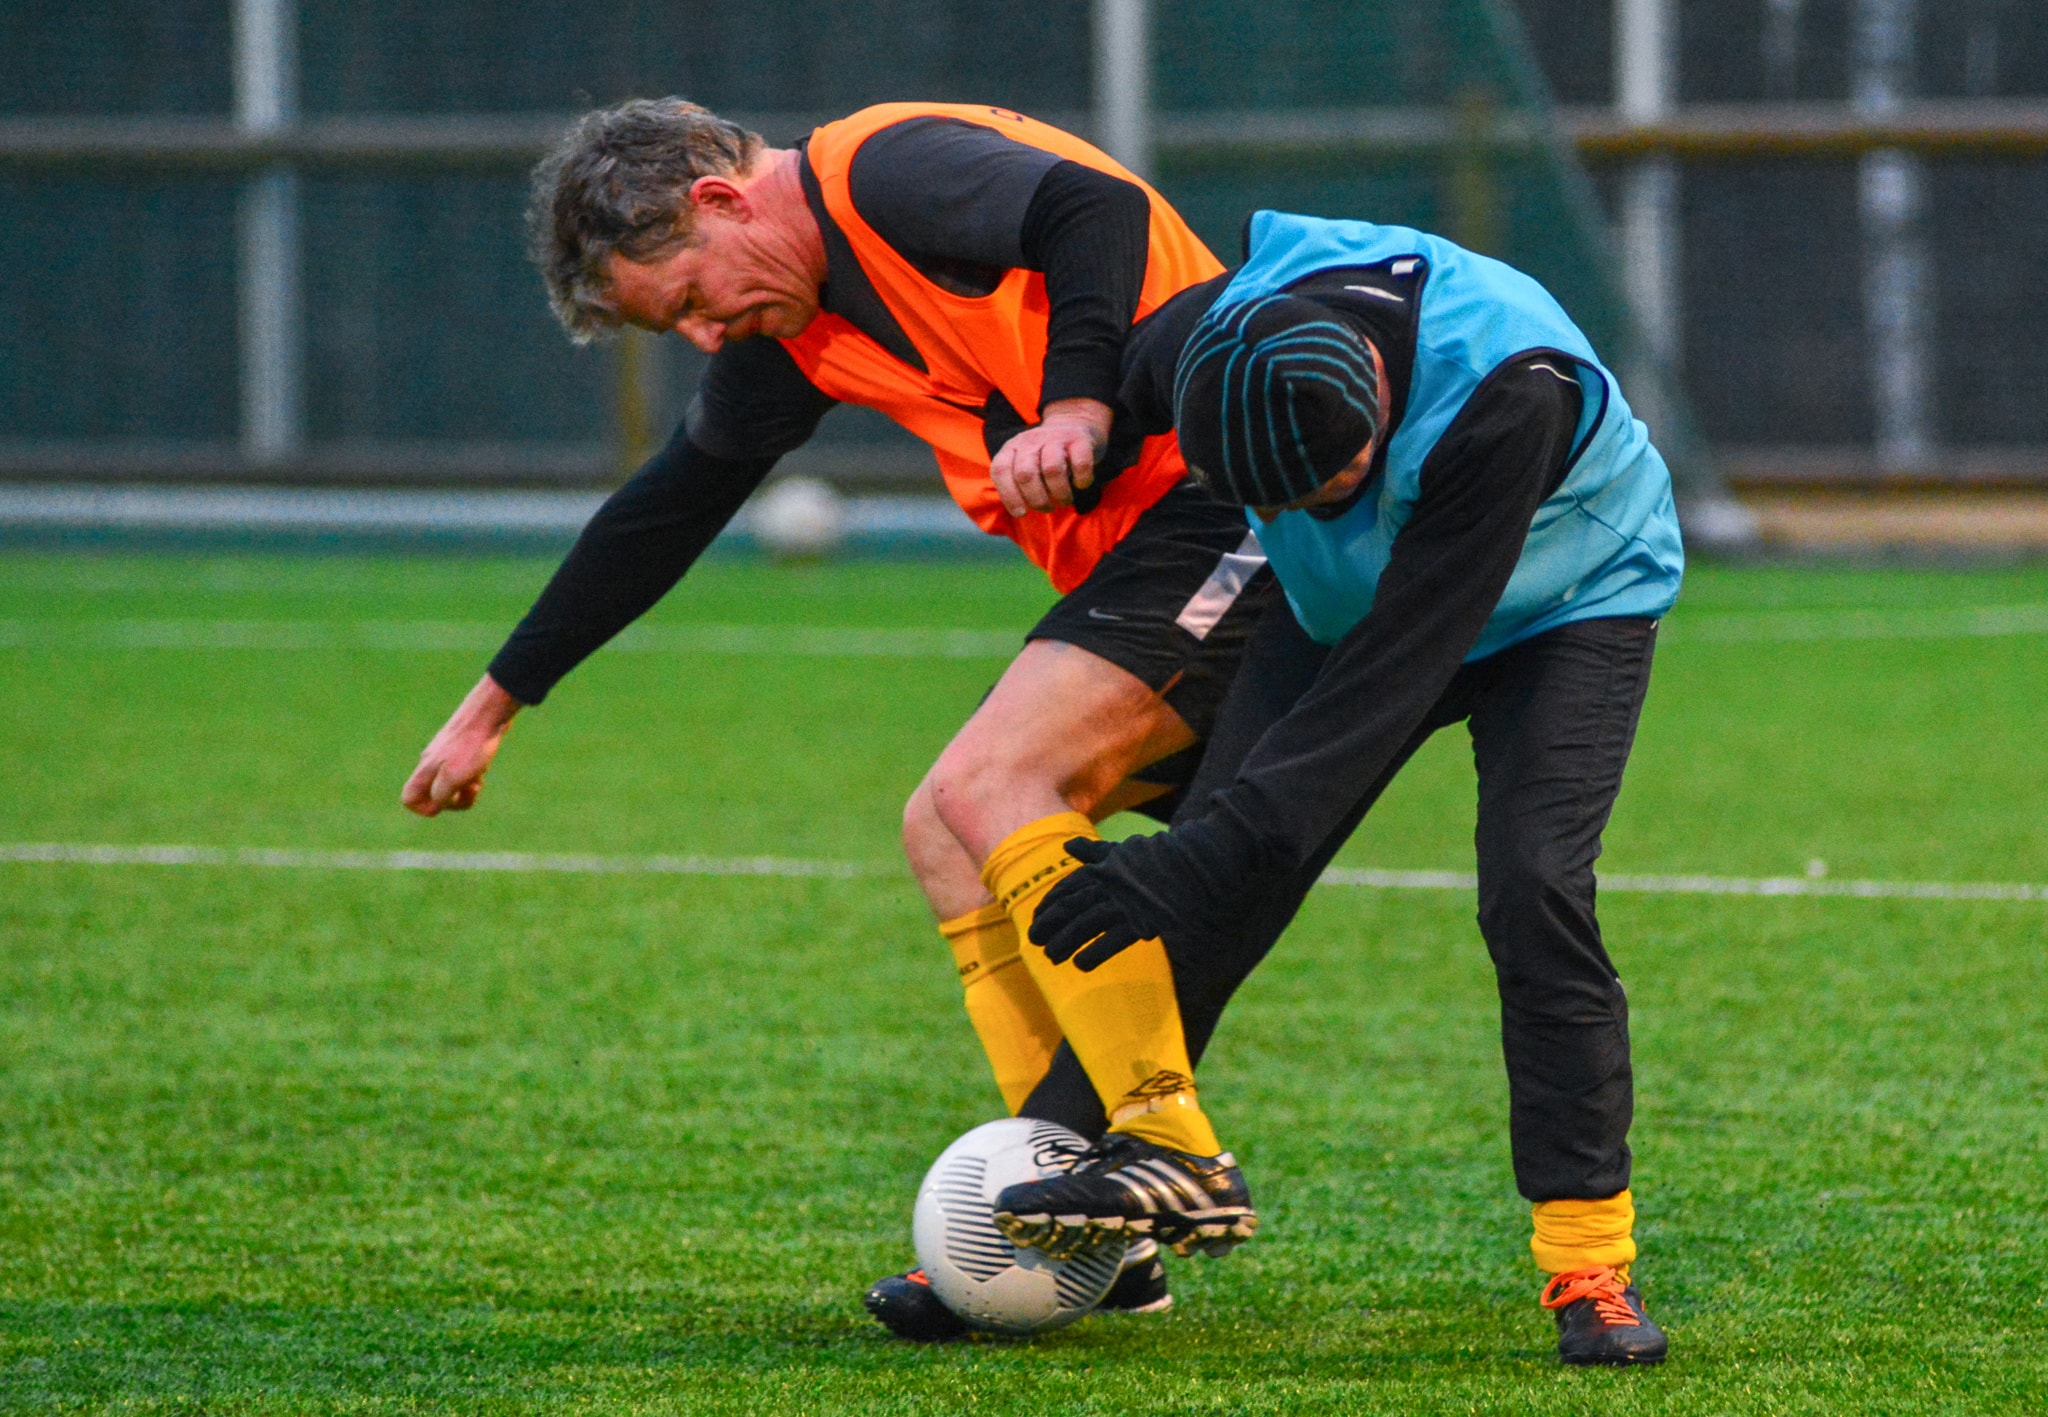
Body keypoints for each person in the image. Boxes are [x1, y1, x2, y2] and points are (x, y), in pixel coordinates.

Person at [398, 98, 1277, 1340]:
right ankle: (1091, 1214)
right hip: (1150, 549)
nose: (708, 336)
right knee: (942, 826)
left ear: (716, 200)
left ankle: (1159, 1147)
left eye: (693, 299)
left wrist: (1076, 406)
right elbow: (673, 502)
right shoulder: (797, 327)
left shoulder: (883, 171)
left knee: (986, 787)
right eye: (683, 327)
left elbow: (1098, 211)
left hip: (1230, 499)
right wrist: (496, 702)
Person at [997, 210, 1685, 1366]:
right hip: (1344, 609)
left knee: (1531, 886)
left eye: (1335, 484)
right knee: (1210, 888)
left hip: (1569, 600)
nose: (1320, 507)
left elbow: (1384, 682)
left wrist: (1194, 851)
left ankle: (1588, 1266)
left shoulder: (1507, 389)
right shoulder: (1207, 343)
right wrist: (1068, 431)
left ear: (1370, 398)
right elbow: (1103, 376)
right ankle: (1015, 1205)